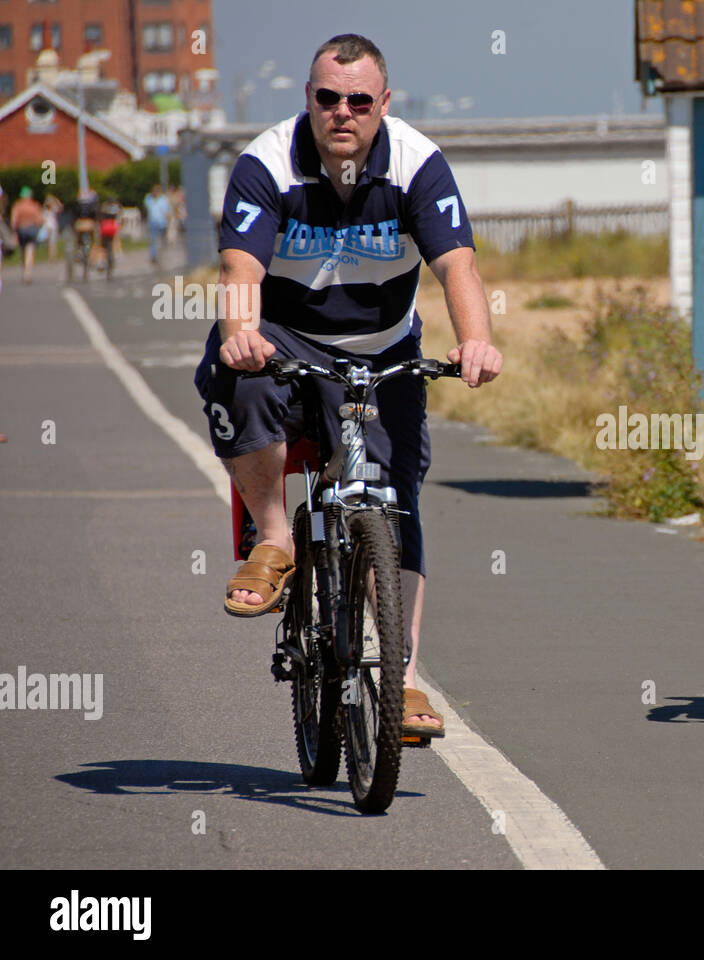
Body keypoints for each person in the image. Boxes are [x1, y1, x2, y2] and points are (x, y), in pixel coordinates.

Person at [194, 34, 502, 738]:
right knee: (235, 369)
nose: (342, 112)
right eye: (327, 97)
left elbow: (458, 266)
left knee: (396, 500)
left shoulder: (418, 163)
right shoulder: (267, 163)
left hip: (381, 345)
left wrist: (477, 340)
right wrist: (244, 331)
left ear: (383, 105)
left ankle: (403, 679)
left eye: (359, 100)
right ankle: (273, 538)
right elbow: (242, 271)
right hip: (284, 335)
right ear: (308, 98)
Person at [10, 186, 45, 284]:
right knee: (30, 250)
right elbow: (40, 219)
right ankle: (28, 272)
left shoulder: (18, 206)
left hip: (21, 230)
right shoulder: (35, 206)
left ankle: (24, 270)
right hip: (32, 229)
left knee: (23, 250)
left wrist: (14, 232)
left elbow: (14, 221)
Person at [143, 183, 170, 264]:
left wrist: (168, 221)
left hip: (162, 222)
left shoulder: (163, 199)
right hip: (153, 222)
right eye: (154, 191)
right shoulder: (149, 199)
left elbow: (167, 211)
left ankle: (161, 254)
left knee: (162, 239)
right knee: (153, 240)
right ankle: (154, 256)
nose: (155, 192)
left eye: (157, 191)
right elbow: (146, 205)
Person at [43, 194, 63, 261]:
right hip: (47, 227)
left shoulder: (53, 209)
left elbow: (61, 208)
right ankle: (50, 256)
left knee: (53, 242)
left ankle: (53, 257)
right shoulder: (45, 209)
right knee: (48, 243)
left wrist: (56, 201)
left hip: (53, 226)